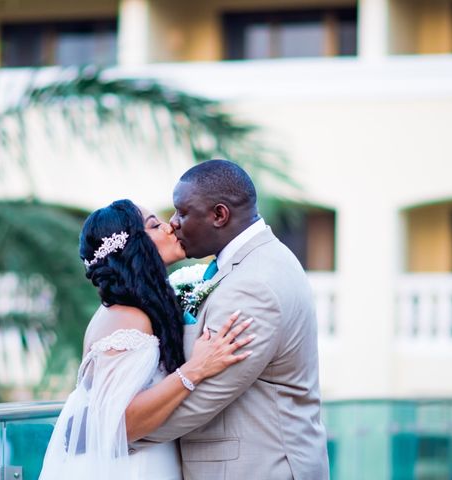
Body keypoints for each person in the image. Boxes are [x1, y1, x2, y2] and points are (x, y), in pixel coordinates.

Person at [139, 160, 330, 479]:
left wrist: (116, 433)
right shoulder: (256, 262)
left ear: (219, 215)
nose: (173, 224)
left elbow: (202, 398)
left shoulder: (254, 285)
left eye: (182, 212)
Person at [39, 199, 254, 480]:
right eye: (155, 225)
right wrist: (197, 368)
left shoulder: (134, 309)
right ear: (133, 246)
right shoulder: (127, 319)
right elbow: (120, 424)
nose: (170, 227)